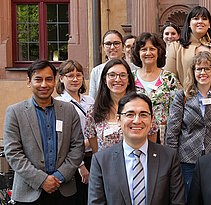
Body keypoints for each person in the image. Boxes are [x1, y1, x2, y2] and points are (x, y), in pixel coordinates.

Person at [3, 60, 84, 204]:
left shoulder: (69, 110)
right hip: (28, 192)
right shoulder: (15, 112)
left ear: (54, 81)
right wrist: (41, 180)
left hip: (64, 191)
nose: (44, 85)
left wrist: (60, 176)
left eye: (48, 79)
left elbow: (77, 147)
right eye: (38, 79)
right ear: (29, 82)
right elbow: (13, 152)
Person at [88, 92, 185, 204]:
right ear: (119, 120)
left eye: (143, 114)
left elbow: (178, 201)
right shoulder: (101, 160)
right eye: (130, 114)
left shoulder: (169, 157)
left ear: (152, 119)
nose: (137, 121)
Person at [165, 51, 211, 198]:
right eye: (199, 69)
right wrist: (173, 160)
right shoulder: (183, 96)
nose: (203, 72)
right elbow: (172, 131)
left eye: (207, 68)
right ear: (193, 71)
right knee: (188, 198)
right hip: (187, 159)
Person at [85, 59, 157, 153]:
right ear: (104, 80)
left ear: (129, 80)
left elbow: (152, 136)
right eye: (112, 75)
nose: (117, 79)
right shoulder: (93, 111)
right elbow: (96, 151)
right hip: (108, 165)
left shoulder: (143, 106)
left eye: (123, 75)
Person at [165, 6, 211, 97]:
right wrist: (185, 97)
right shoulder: (176, 47)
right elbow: (170, 77)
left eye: (204, 19)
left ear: (209, 24)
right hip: (185, 103)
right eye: (196, 18)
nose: (200, 21)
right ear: (189, 23)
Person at [55, 60, 95, 204]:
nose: (75, 79)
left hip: (94, 156)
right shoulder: (58, 103)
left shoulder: (89, 100)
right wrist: (81, 165)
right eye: (70, 75)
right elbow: (63, 139)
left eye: (79, 75)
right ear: (61, 78)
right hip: (75, 161)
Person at [131, 32, 177, 144]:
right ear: (138, 53)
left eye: (152, 49)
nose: (148, 53)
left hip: (163, 134)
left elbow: (174, 111)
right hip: (136, 129)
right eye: (143, 49)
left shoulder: (168, 78)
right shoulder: (130, 78)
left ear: (159, 51)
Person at [89, 30, 137, 99]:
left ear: (123, 46)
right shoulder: (96, 71)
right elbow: (93, 99)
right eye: (108, 44)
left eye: (116, 43)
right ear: (103, 47)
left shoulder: (134, 69)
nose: (112, 47)